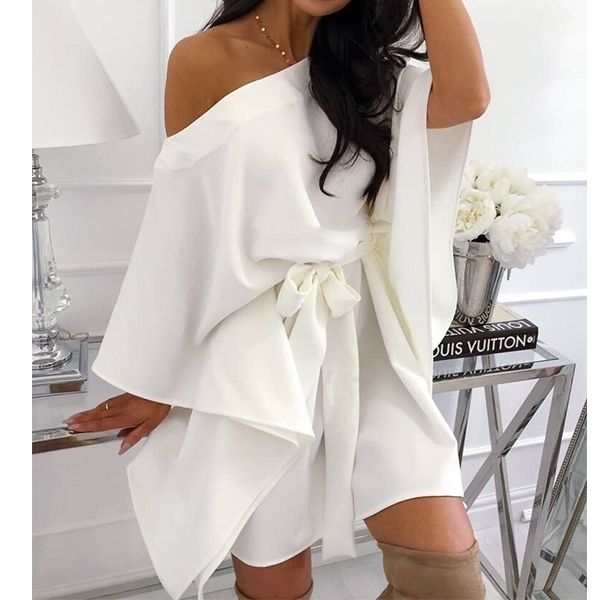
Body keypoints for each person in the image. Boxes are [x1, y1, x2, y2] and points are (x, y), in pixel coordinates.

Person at [64, 0, 491, 598]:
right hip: (256, 352)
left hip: (365, 342)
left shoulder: (371, 69)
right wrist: (158, 380)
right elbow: (186, 226)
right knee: (276, 579)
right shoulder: (202, 60)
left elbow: (466, 98)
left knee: (447, 578)